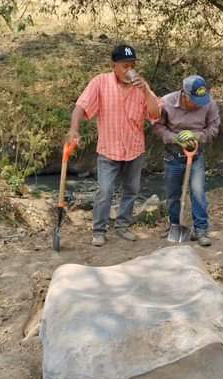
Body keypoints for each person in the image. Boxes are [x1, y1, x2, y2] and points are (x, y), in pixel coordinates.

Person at [67, 44, 160, 246]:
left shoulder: (141, 87)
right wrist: (74, 129)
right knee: (105, 190)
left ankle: (122, 226)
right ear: (114, 66)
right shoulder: (100, 83)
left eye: (132, 65)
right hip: (109, 150)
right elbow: (80, 107)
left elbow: (155, 114)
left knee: (131, 190)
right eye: (125, 65)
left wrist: (147, 93)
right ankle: (99, 230)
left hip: (134, 149)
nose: (129, 70)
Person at [153, 75, 220, 246]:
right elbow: (158, 126)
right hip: (173, 155)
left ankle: (201, 230)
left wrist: (198, 136)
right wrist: (174, 138)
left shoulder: (209, 103)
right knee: (173, 194)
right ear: (184, 94)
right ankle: (174, 226)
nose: (199, 104)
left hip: (196, 155)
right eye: (195, 100)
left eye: (201, 100)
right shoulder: (166, 102)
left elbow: (214, 127)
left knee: (198, 192)